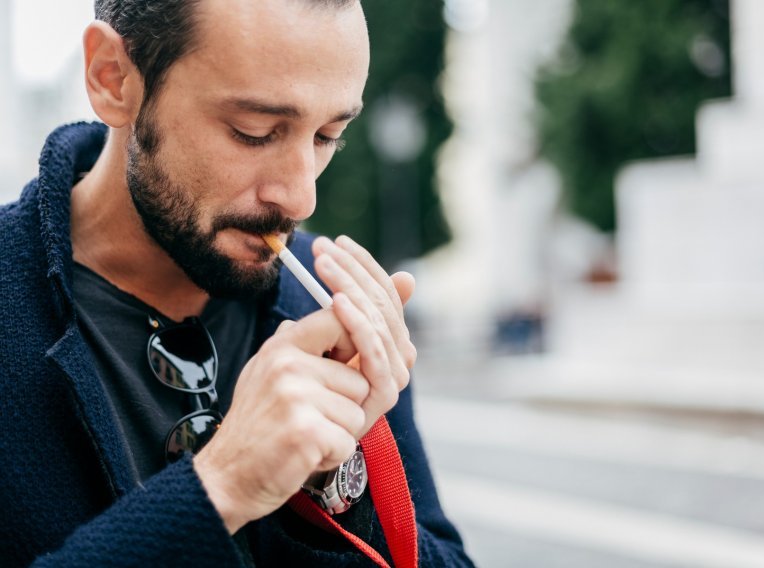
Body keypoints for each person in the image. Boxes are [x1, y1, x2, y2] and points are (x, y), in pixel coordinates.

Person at [0, 0, 474, 566]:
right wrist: (222, 486)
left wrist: (333, 480)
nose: (301, 198)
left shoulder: (326, 304)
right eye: (254, 132)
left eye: (327, 136)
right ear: (113, 78)